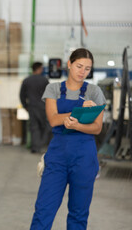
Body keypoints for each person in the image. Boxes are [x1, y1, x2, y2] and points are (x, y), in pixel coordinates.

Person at [30, 48, 106, 230]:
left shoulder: (95, 92)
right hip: (58, 157)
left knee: (79, 213)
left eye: (87, 68)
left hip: (84, 158)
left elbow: (97, 128)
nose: (83, 72)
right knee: (43, 209)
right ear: (69, 64)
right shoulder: (53, 89)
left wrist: (77, 125)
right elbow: (54, 119)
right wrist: (79, 109)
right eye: (79, 66)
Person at [20, 62, 50, 153]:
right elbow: (49, 95)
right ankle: (42, 144)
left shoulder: (26, 80)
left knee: (34, 127)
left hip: (32, 107)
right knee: (46, 126)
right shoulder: (44, 80)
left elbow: (21, 95)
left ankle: (35, 147)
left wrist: (25, 106)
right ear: (39, 69)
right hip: (43, 107)